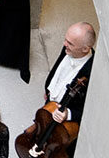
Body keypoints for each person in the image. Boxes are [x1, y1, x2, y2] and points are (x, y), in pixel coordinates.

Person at [41, 23, 95, 157]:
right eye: (65, 39)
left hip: (64, 122)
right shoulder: (68, 48)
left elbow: (90, 111)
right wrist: (50, 91)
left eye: (70, 43)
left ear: (85, 48)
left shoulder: (92, 72)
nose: (65, 44)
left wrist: (68, 114)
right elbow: (59, 70)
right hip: (50, 105)